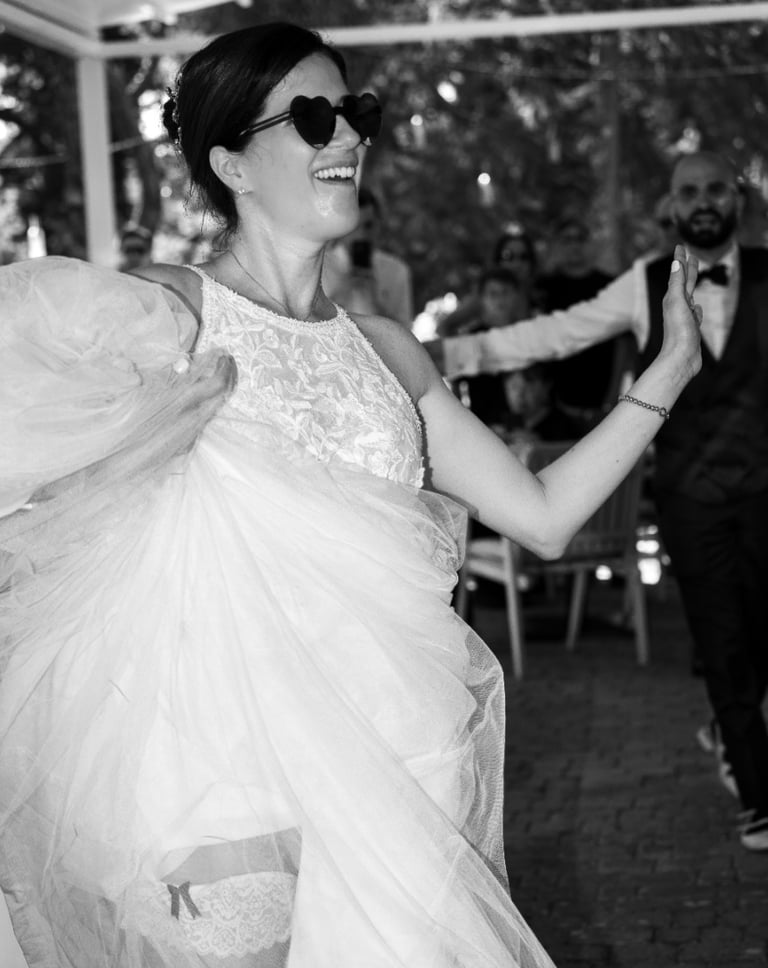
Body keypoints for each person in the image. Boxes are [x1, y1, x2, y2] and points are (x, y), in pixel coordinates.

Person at [0, 22, 702, 968]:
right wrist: (144, 443)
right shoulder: (170, 311)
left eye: (354, 113)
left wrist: (668, 371)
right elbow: (36, 495)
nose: (346, 136)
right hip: (219, 760)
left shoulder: (386, 348)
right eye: (311, 116)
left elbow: (542, 517)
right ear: (232, 166)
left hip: (393, 756)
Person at [429, 150, 768, 854]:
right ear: (672, 206)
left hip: (765, 489)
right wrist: (453, 357)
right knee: (721, 638)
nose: (704, 202)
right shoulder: (644, 282)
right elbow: (557, 333)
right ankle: (758, 794)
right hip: (691, 495)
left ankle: (731, 731)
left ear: (736, 200)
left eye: (716, 189)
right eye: (689, 192)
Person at [536, 216, 616, 429]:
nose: (574, 245)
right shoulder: (545, 288)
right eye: (567, 239)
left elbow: (624, 345)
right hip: (557, 406)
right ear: (558, 245)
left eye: (579, 238)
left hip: (602, 403)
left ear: (589, 243)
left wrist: (612, 399)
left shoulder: (609, 286)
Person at [322, 185, 414, 327]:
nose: (361, 235)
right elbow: (308, 325)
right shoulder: (320, 266)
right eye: (354, 227)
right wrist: (344, 291)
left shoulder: (396, 270)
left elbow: (406, 331)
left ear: (379, 224)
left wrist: (374, 300)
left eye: (368, 225)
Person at [438, 225, 541, 337]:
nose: (517, 263)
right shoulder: (483, 296)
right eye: (508, 256)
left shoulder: (541, 292)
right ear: (498, 260)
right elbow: (444, 326)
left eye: (524, 256)